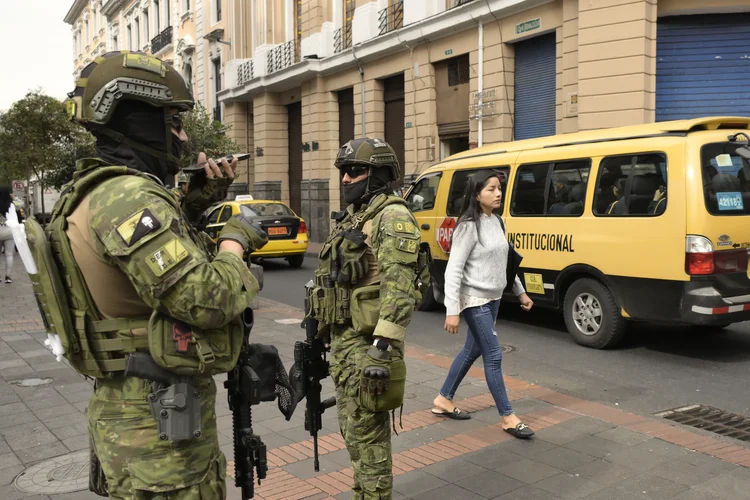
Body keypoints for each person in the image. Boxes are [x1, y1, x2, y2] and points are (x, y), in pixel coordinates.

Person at [51, 51, 269, 498]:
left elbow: (138, 275)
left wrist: (195, 204)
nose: (184, 137)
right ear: (136, 119)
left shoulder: (98, 190)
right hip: (158, 426)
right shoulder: (128, 197)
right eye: (173, 122)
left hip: (140, 411)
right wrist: (235, 240)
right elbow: (207, 300)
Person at [311, 138, 424, 500]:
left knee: (371, 444)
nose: (346, 179)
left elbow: (401, 286)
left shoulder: (392, 216)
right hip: (345, 346)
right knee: (353, 435)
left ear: (380, 174)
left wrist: (382, 348)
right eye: (344, 172)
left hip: (368, 348)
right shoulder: (357, 215)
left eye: (355, 171)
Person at [432, 170, 535, 439]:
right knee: (494, 354)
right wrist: (452, 310)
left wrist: (521, 292)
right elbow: (453, 269)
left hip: (494, 297)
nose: (497, 193)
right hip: (474, 300)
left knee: (471, 350)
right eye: (490, 189)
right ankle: (508, 417)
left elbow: (505, 262)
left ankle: (444, 399)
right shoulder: (468, 226)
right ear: (477, 195)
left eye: (499, 188)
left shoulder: (498, 222)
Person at [0, 186, 15, 283]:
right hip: (9, 231)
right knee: (9, 255)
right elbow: (15, 218)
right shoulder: (11, 205)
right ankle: (8, 277)